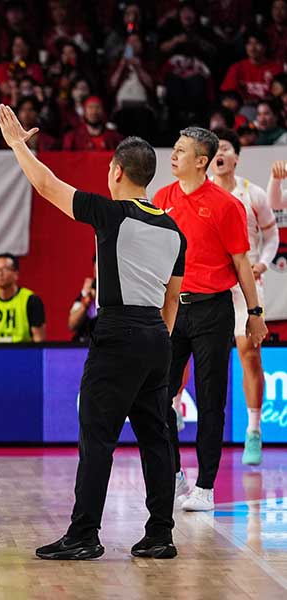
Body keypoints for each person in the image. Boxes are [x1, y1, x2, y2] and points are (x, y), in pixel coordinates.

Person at [0, 104, 186, 560]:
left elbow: (45, 184)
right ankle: (161, 534)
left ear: (118, 171)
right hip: (157, 337)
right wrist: (155, 341)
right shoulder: (173, 228)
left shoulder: (112, 213)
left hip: (119, 331)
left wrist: (18, 146)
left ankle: (84, 535)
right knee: (156, 438)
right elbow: (171, 301)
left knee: (97, 437)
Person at [154, 127, 267, 513]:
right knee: (158, 395)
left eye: (181, 151)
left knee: (211, 398)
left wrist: (254, 314)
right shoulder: (161, 198)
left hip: (213, 310)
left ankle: (205, 487)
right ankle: (172, 475)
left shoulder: (225, 205)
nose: (173, 156)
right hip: (171, 309)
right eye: (175, 148)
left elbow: (241, 264)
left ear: (201, 161)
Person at [210, 128, 277, 466]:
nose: (219, 154)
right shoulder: (198, 193)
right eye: (215, 148)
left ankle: (253, 430)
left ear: (236, 156)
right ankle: (175, 408)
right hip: (209, 282)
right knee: (187, 347)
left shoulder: (253, 194)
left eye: (225, 148)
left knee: (249, 353)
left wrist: (263, 262)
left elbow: (272, 234)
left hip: (246, 281)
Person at [0, 253, 46, 343]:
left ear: (16, 274)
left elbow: (38, 339)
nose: (0, 273)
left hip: (23, 352)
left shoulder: (31, 300)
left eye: (5, 269)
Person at [68, 258, 98, 342]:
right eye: (96, 271)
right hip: (84, 344)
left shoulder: (114, 295)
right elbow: (71, 325)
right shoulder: (86, 294)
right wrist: (85, 301)